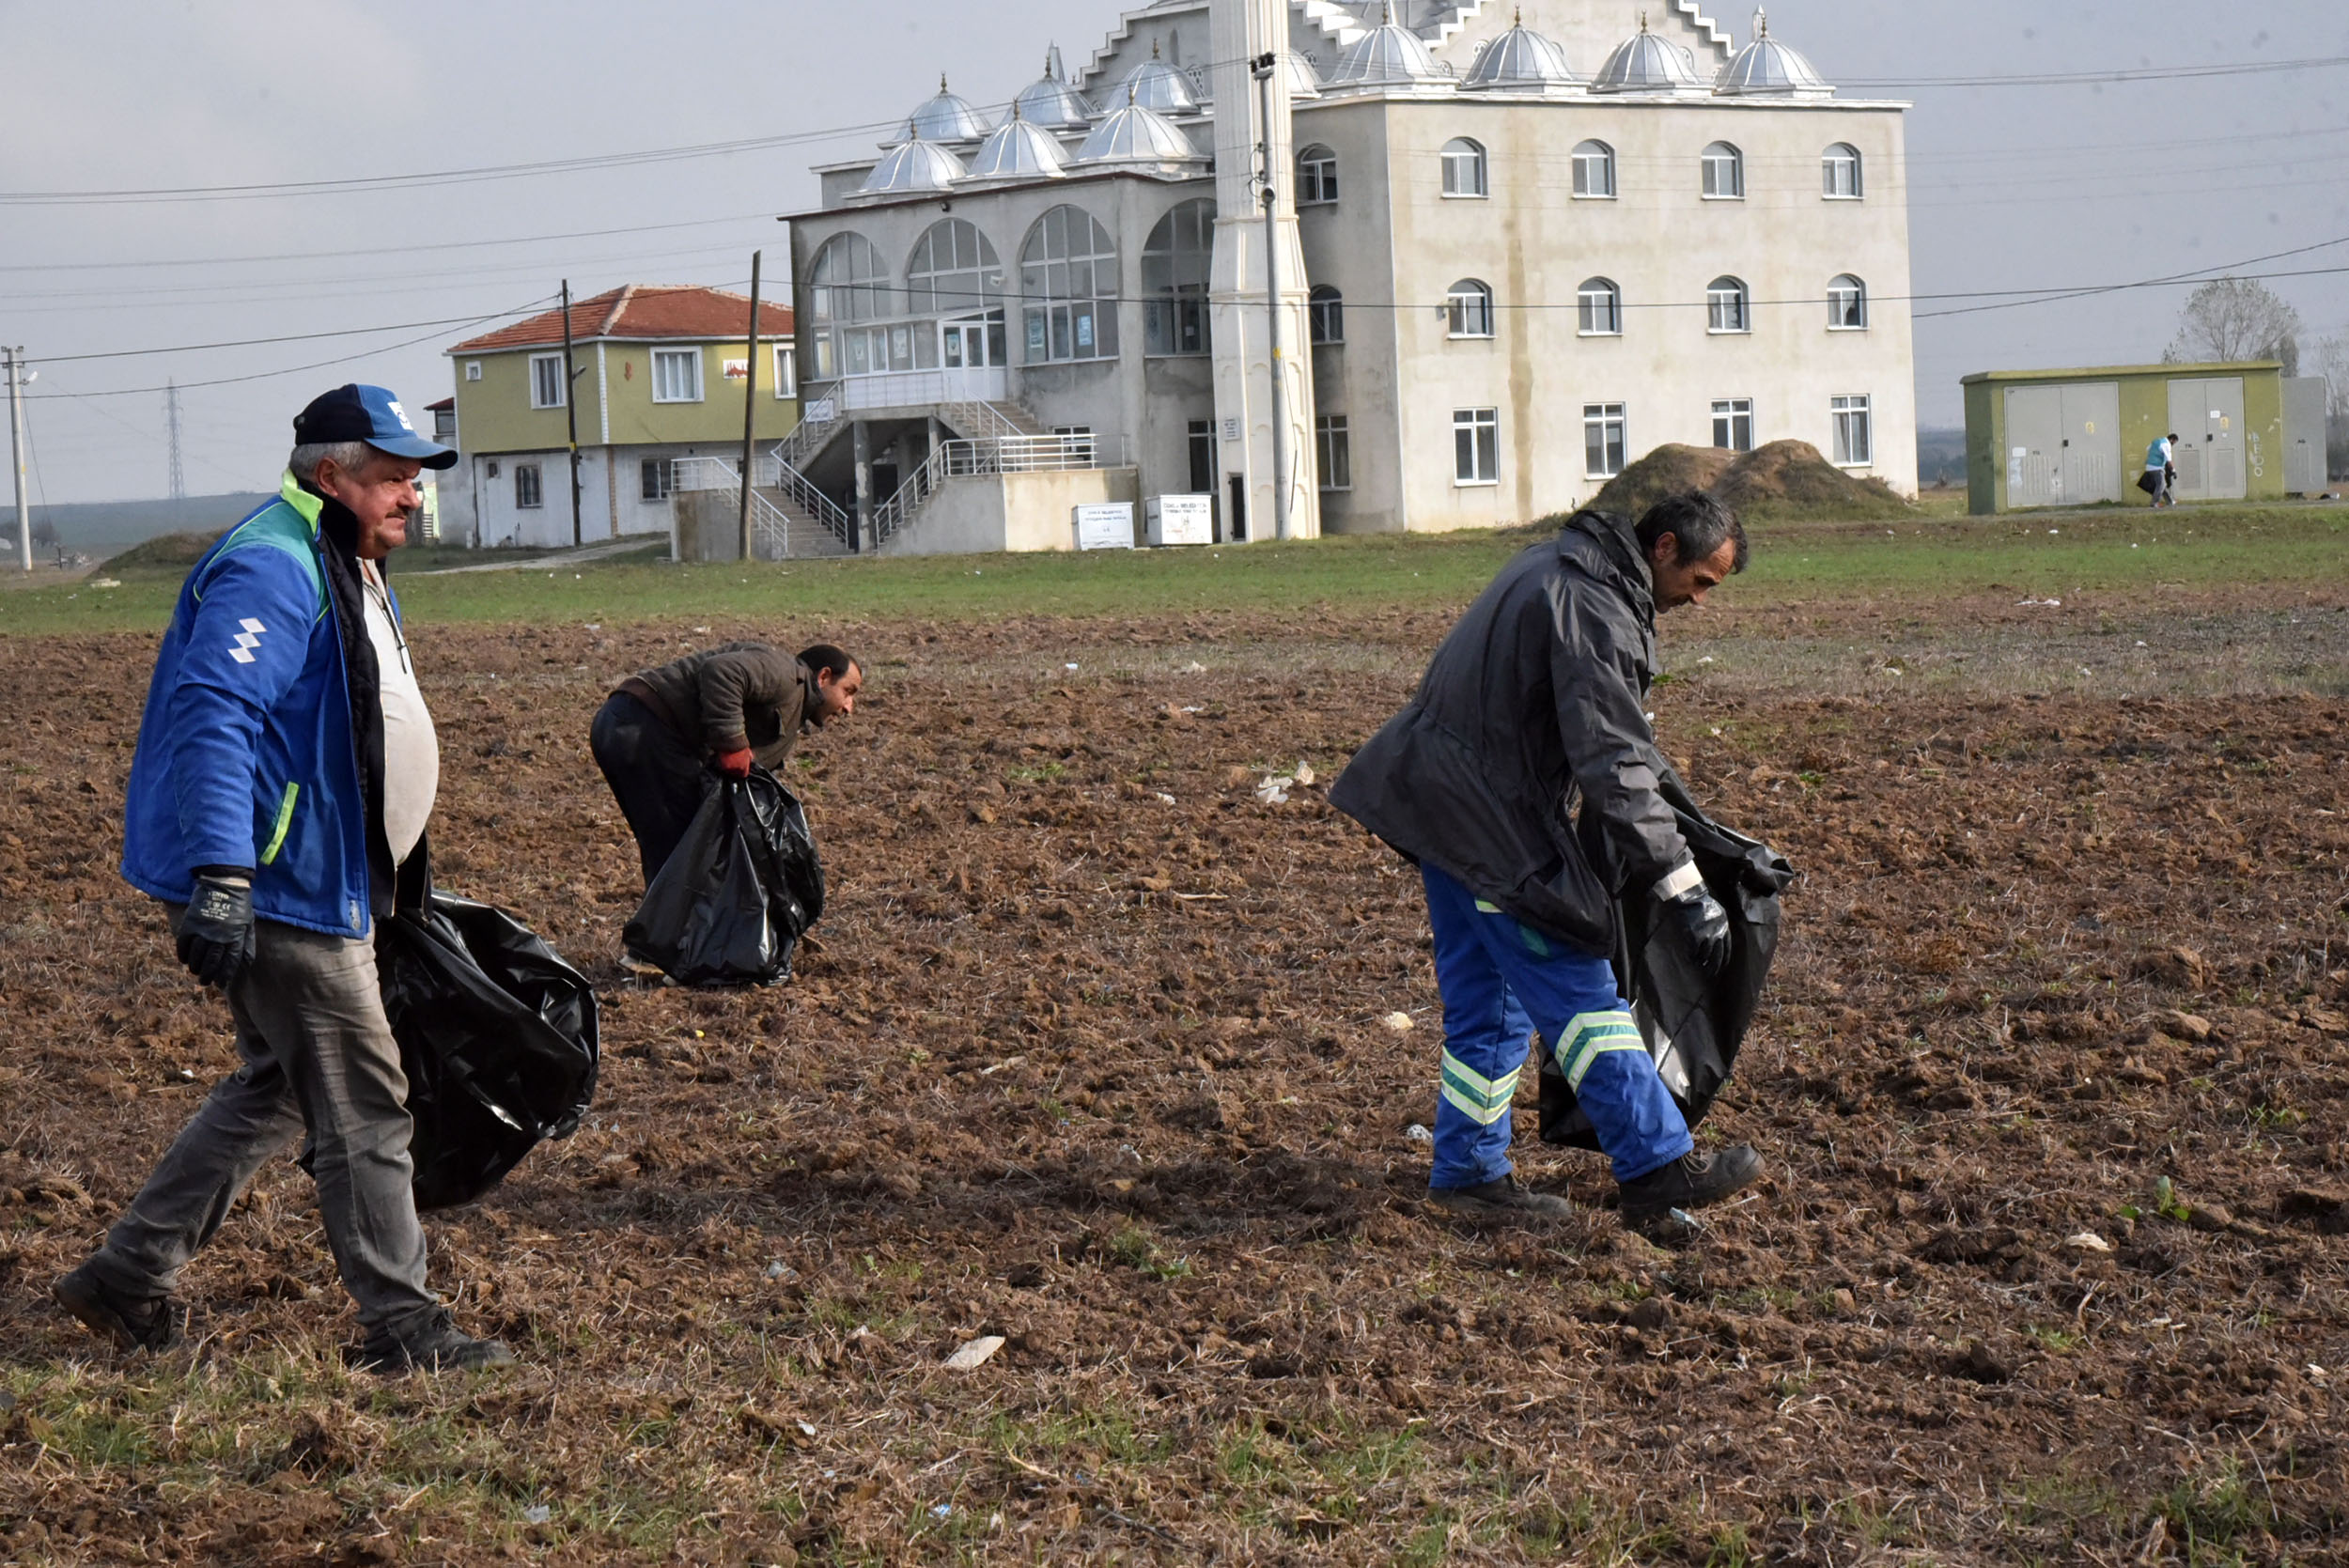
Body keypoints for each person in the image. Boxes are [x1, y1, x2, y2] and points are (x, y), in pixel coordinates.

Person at [55, 385, 513, 1373]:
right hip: (277, 883)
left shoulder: (339, 553)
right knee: (366, 1100)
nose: (411, 497)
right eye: (391, 477)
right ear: (330, 475)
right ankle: (405, 1329)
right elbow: (214, 714)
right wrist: (225, 874)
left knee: (281, 1087)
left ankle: (127, 1273)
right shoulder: (273, 563)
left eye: (415, 479)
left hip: (316, 872)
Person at [1329, 490, 1766, 1234]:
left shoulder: (1556, 564)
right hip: (1489, 819)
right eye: (1700, 582)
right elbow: (1613, 758)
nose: (1698, 601)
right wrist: (1682, 882)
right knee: (1580, 990)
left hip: (1437, 802)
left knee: (1488, 1005)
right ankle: (1659, 1167)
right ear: (1664, 548)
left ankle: (1468, 1172)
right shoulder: (1592, 605)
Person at [591, 642, 862, 884]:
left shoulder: (794, 703)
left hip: (625, 725)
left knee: (674, 854)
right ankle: (677, 936)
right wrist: (732, 743)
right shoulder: (786, 673)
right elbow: (721, 671)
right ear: (824, 677)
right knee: (685, 858)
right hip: (642, 725)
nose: (849, 707)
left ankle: (670, 934)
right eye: (848, 691)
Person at [2146, 432, 2178, 508]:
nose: (2173, 444)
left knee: (2162, 485)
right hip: (2156, 467)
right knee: (2161, 485)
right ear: (2172, 439)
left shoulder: (2156, 441)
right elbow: (2169, 460)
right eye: (2174, 443)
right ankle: (2154, 503)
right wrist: (2173, 470)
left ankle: (2170, 501)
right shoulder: (2166, 445)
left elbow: (2148, 449)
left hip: (2149, 466)